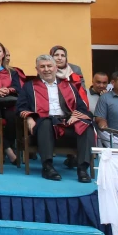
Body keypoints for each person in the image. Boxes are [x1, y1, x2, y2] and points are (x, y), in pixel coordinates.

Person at [16, 53, 95, 182]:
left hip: (66, 121)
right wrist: (29, 118)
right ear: (37, 69)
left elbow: (81, 108)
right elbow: (20, 107)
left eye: (49, 66)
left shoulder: (68, 86)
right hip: (43, 122)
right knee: (46, 122)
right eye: (42, 67)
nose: (46, 69)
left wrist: (76, 116)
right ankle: (48, 167)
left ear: (55, 68)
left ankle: (82, 169)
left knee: (85, 125)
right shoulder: (29, 86)